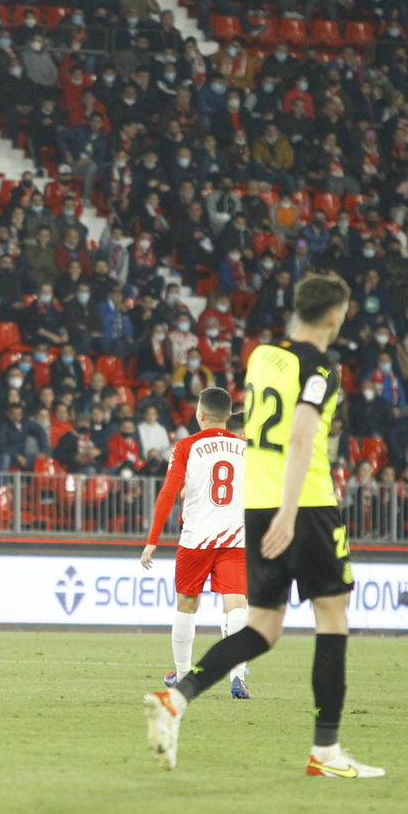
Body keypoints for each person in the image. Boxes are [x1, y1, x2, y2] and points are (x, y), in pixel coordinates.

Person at [144, 273, 384, 779]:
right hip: (307, 505)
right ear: (336, 316)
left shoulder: (260, 357)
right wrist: (292, 512)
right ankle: (326, 751)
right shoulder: (320, 368)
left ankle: (178, 699)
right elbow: (300, 439)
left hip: (256, 507)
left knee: (264, 627)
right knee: (333, 617)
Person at [139, 389, 251, 699]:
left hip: (196, 539)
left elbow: (168, 494)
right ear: (229, 416)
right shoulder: (246, 449)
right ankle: (237, 674)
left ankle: (184, 675)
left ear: (199, 415)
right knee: (236, 604)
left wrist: (152, 541)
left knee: (187, 604)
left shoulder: (186, 446)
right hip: (235, 538)